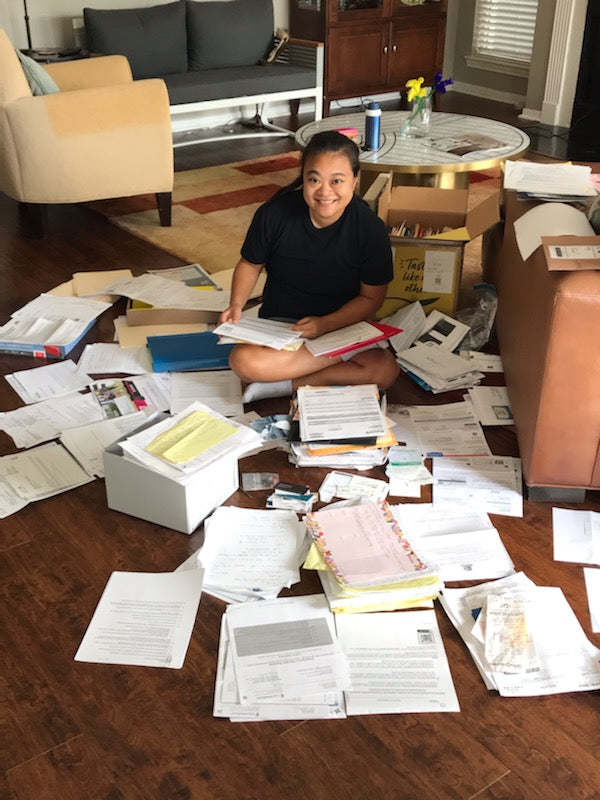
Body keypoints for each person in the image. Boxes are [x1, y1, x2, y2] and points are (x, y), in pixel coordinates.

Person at [219, 130, 399, 402]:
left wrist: (326, 324)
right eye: (314, 179)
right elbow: (250, 263)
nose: (325, 191)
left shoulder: (369, 229)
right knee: (243, 362)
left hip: (343, 327)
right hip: (284, 328)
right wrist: (236, 304)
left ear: (355, 180)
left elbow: (371, 298)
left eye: (337, 180)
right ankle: (320, 370)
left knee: (384, 371)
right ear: (302, 178)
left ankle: (282, 385)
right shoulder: (275, 213)